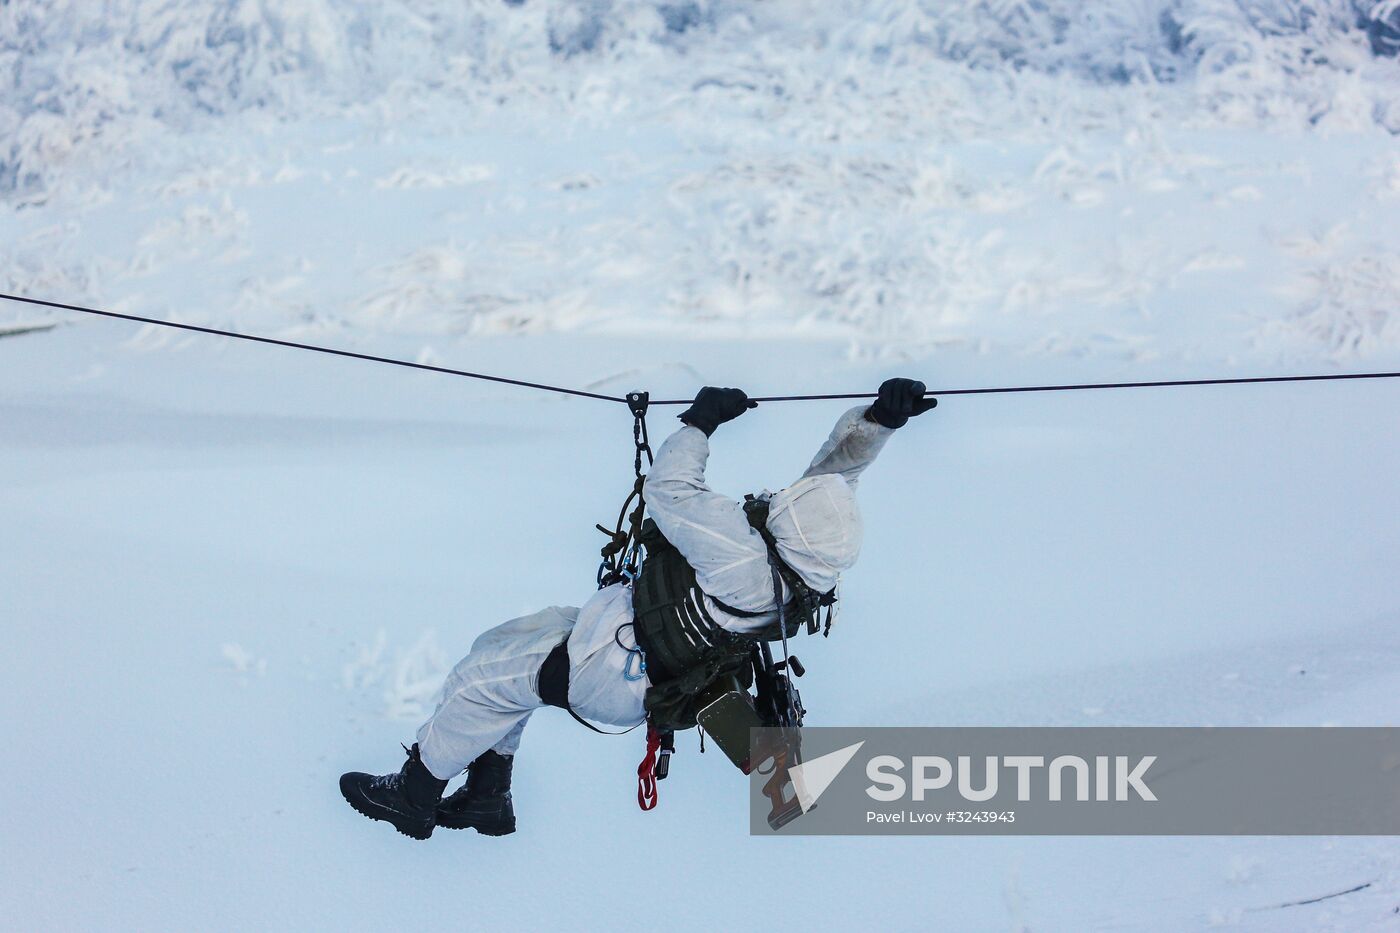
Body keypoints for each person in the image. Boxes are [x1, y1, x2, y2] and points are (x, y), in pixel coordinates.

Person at [339, 377, 937, 839]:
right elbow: (832, 481)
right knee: (501, 643)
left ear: (782, 534)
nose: (778, 498)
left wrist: (699, 424)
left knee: (483, 684)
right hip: (630, 641)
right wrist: (881, 420)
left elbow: (672, 490)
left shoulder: (741, 561)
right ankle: (487, 796)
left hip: (614, 669)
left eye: (781, 505)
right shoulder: (811, 561)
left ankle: (415, 797)